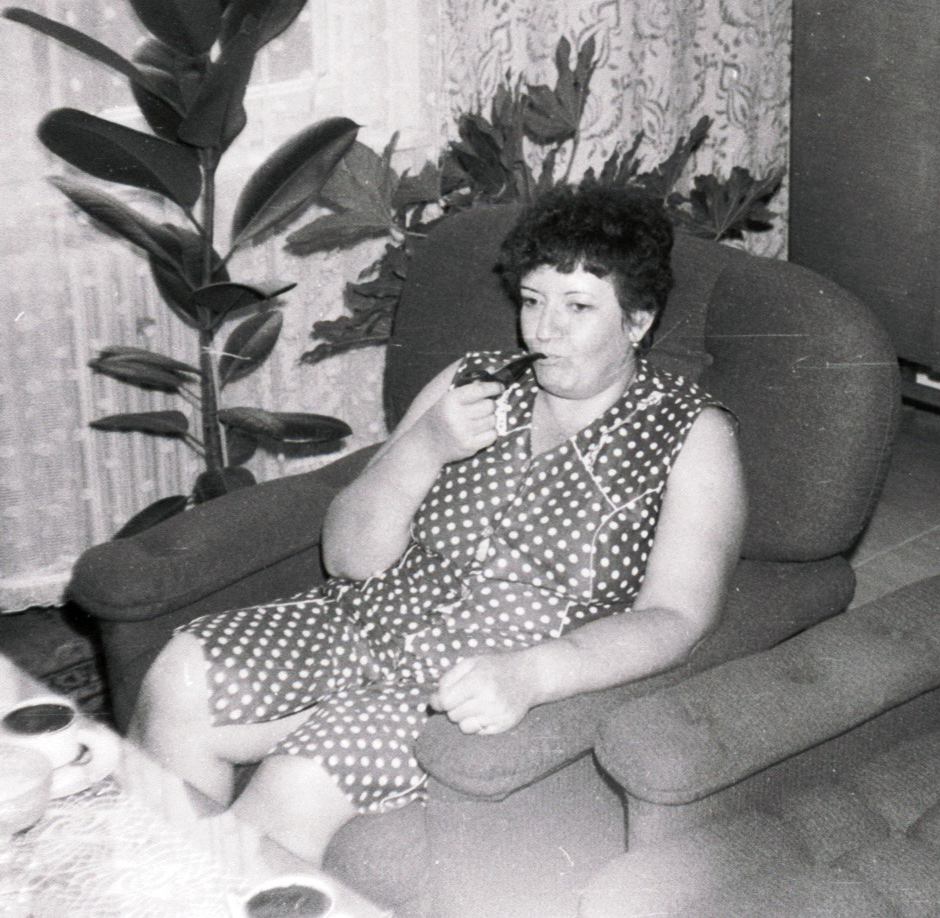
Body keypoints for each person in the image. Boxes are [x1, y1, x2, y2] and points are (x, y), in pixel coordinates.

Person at [131, 184, 746, 864]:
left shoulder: (691, 433)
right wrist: (425, 446)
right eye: (533, 301)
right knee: (178, 676)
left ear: (637, 321)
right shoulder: (474, 380)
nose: (543, 331)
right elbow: (348, 558)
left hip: (467, 681)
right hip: (364, 625)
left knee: (298, 785)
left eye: (578, 307)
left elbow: (676, 617)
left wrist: (537, 674)